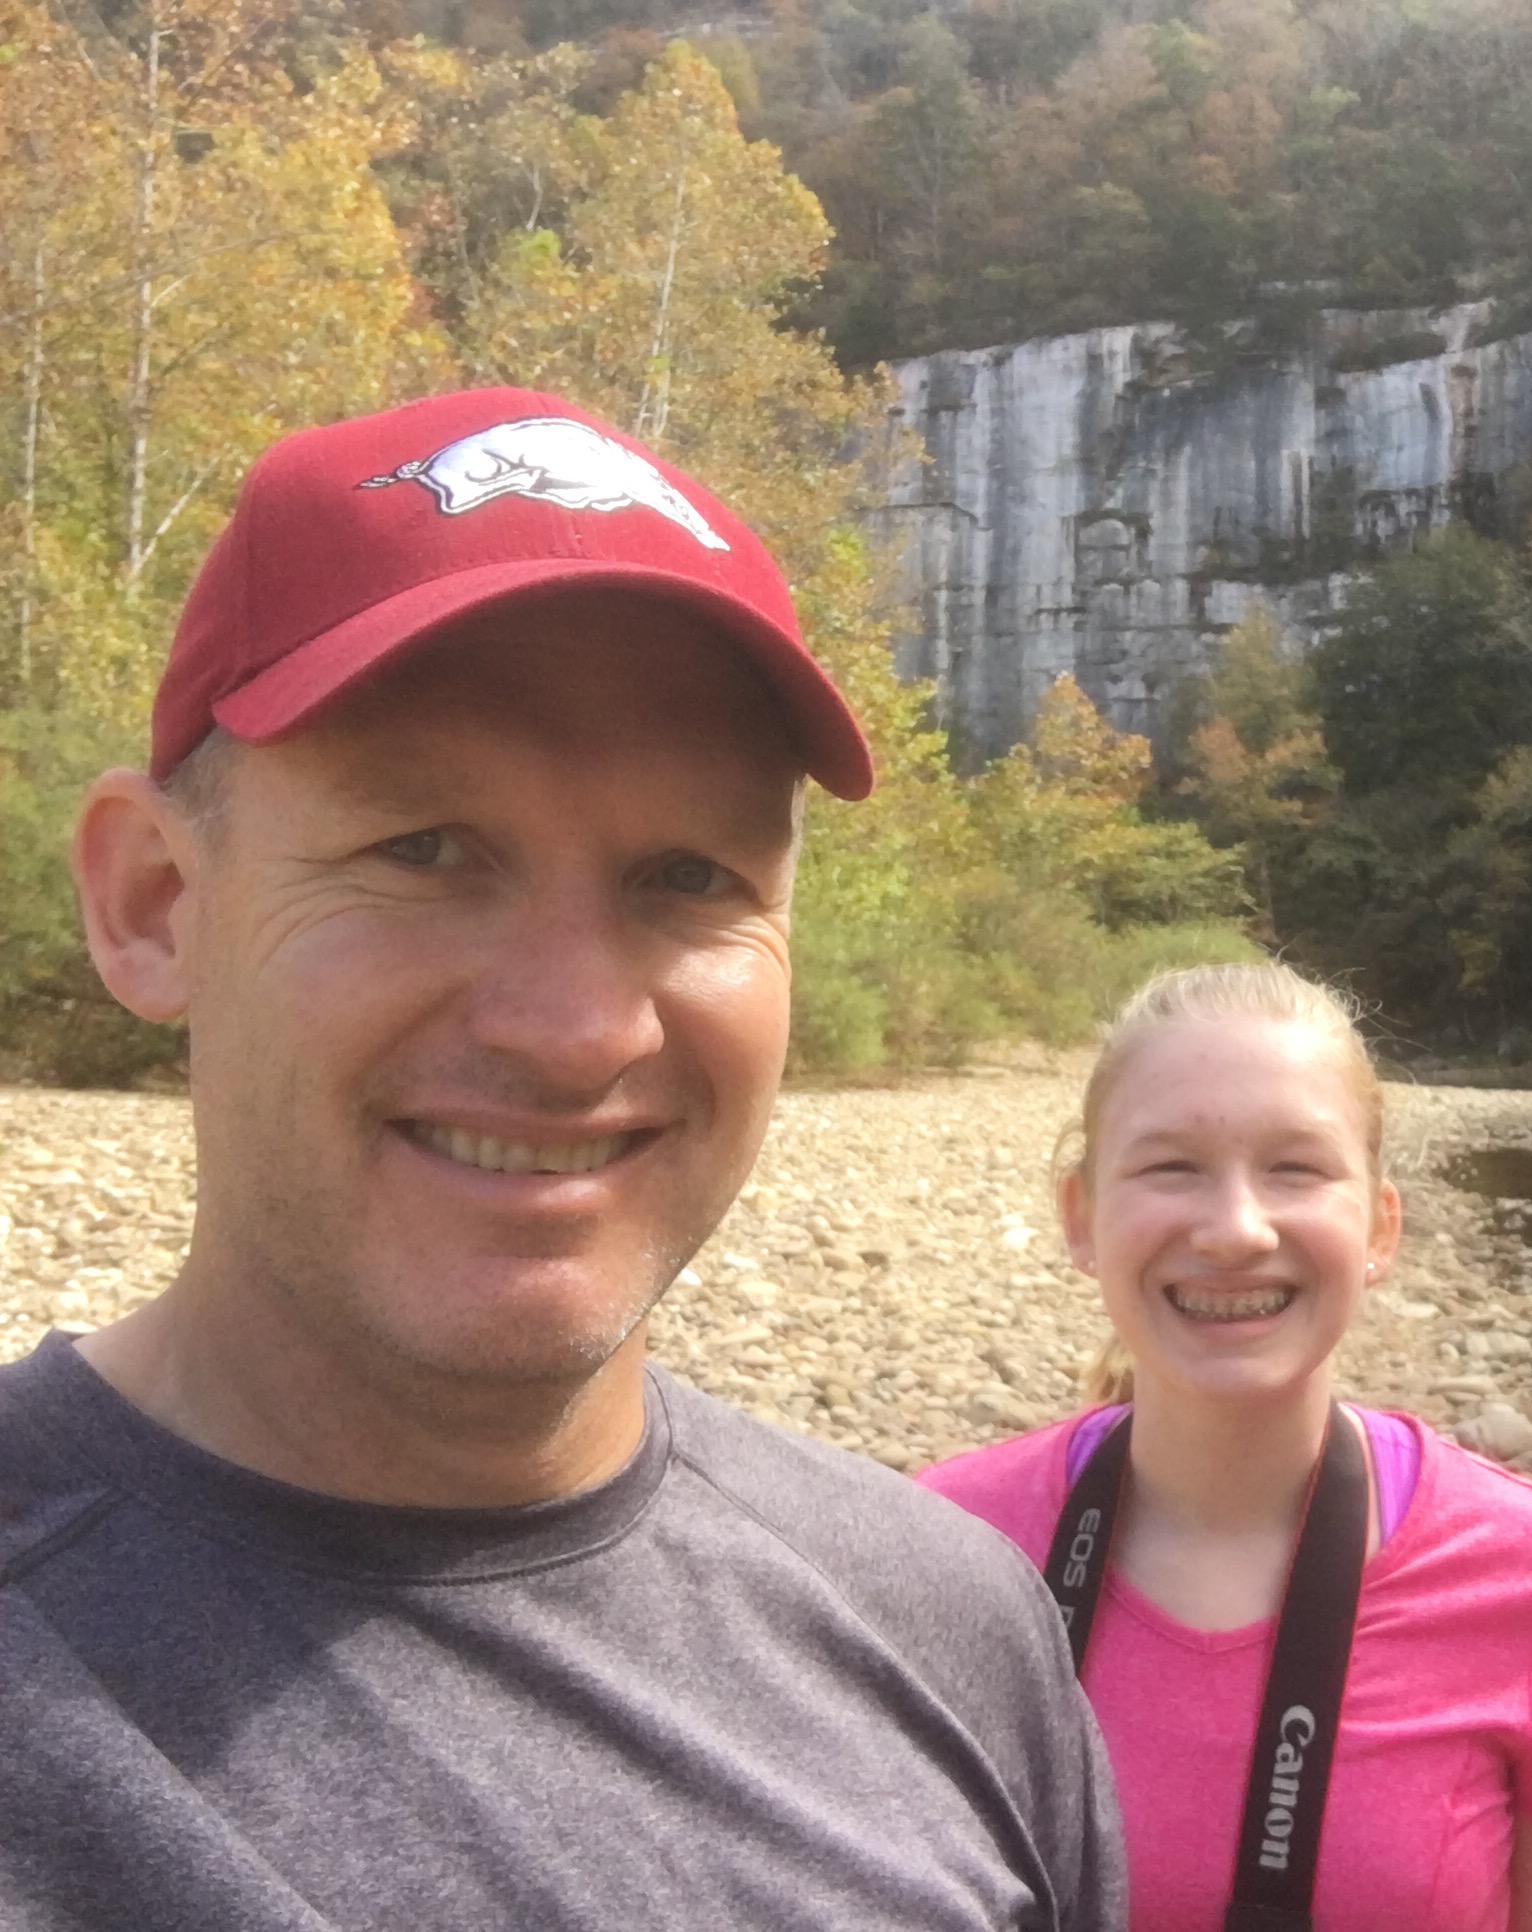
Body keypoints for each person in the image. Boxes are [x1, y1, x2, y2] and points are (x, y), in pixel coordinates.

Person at [0, 388, 1124, 1931]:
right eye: (423, 849)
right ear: (152, 903)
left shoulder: (953, 1631)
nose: (578, 1030)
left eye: (689, 875)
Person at [922, 963, 1532, 1932]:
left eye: (1295, 1169)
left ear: (1379, 1227)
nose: (1235, 1230)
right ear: (1080, 1218)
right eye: (1171, 1167)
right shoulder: (944, 1544)